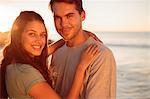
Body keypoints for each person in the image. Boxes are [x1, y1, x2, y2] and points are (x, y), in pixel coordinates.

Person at [0, 11, 100, 99]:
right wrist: (81, 68)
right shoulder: (26, 73)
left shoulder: (13, 61)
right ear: (18, 37)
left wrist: (76, 34)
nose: (39, 41)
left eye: (42, 35)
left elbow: (47, 50)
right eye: (32, 34)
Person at [49, 0, 116, 99]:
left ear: (82, 16)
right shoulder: (57, 52)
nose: (63, 24)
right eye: (58, 18)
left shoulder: (101, 55)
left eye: (69, 16)